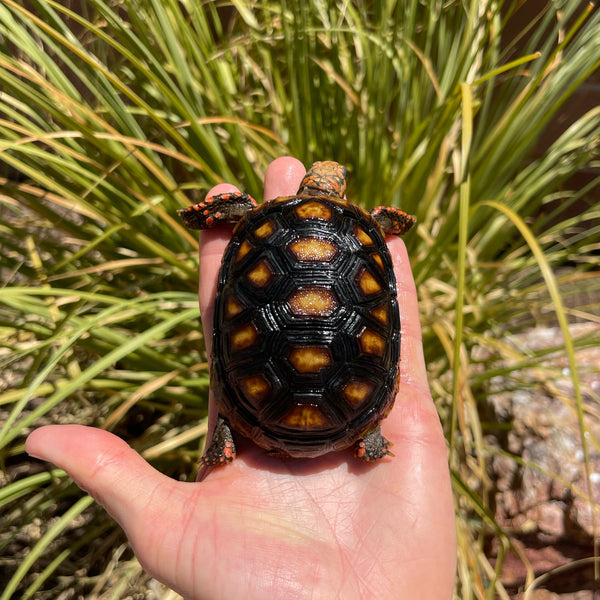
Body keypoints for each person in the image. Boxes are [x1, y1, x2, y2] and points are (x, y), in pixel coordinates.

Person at [26, 157, 457, 599]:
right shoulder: (371, 226)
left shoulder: (258, 219)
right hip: (354, 411)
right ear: (339, 189)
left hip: (257, 398)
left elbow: (232, 226)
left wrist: (216, 213)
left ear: (312, 184)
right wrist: (389, 224)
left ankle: (229, 432)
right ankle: (361, 432)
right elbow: (396, 225)